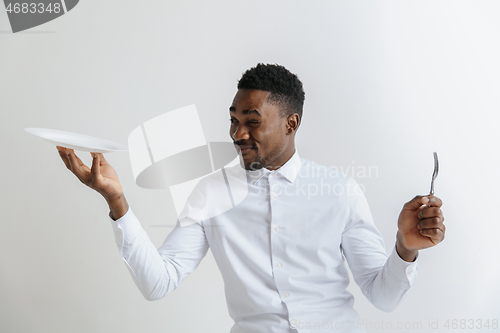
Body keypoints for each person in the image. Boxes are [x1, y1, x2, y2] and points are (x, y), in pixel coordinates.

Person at [56, 63, 445, 333]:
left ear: (291, 123)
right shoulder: (211, 193)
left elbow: (383, 296)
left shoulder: (339, 192)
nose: (237, 133)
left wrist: (404, 249)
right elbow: (159, 282)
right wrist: (118, 204)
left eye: (252, 121)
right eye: (234, 120)